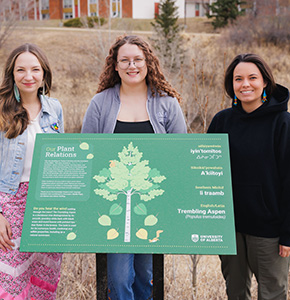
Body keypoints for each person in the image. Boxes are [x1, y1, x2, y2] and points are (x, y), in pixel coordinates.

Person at [81, 35, 187, 300]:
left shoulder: (167, 103)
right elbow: (87, 156)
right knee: (118, 279)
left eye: (138, 59)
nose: (132, 65)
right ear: (115, 66)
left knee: (147, 277)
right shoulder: (100, 104)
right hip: (113, 207)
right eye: (125, 60)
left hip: (154, 205)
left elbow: (180, 156)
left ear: (148, 63)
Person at [207, 53, 290, 300]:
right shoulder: (221, 122)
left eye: (252, 78)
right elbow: (205, 172)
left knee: (272, 293)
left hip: (269, 231)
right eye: (238, 79)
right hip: (229, 228)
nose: (245, 84)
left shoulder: (284, 123)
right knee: (235, 292)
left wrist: (289, 232)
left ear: (265, 82)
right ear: (231, 85)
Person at [0, 43, 64, 300]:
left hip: (47, 207)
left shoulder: (54, 108)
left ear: (43, 74)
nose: (28, 76)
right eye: (21, 70)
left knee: (44, 282)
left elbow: (61, 162)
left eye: (35, 69)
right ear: (11, 74)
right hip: (9, 205)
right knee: (9, 284)